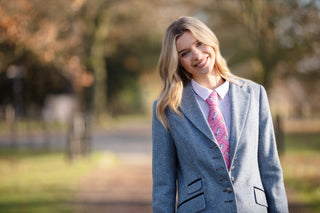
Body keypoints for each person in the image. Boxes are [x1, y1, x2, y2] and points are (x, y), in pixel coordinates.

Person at [152, 16, 288, 213]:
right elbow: (163, 184)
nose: (197, 55)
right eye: (185, 53)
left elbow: (271, 168)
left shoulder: (254, 94)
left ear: (211, 41)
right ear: (178, 61)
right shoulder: (168, 108)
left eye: (199, 43)